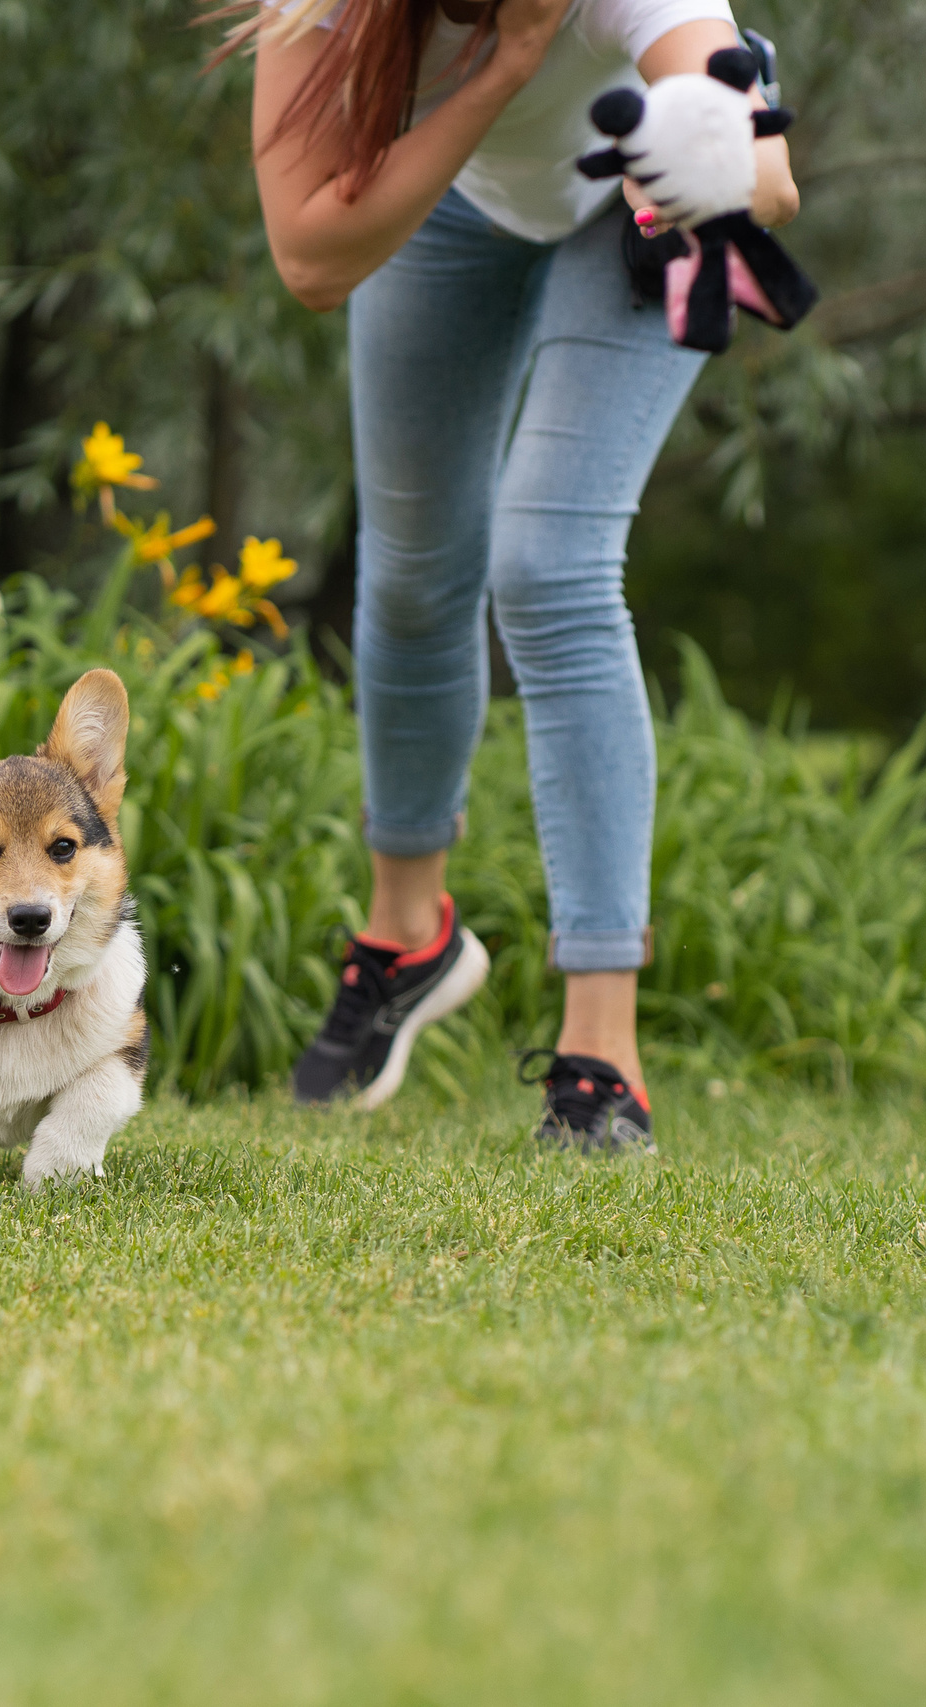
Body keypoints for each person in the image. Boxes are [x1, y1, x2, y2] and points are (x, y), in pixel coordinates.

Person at [240, 0, 800, 1148]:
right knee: (408, 575)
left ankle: (604, 1058)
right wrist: (501, 70)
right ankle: (407, 942)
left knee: (549, 566)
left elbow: (771, 180)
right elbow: (306, 256)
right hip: (452, 191)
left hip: (634, 192)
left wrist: (705, 154)